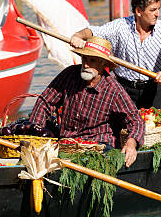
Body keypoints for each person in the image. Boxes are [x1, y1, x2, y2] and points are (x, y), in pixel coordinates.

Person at [29, 36, 145, 167]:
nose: (86, 65)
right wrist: (34, 133)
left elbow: (136, 120)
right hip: (67, 144)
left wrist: (131, 143)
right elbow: (45, 101)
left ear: (103, 64)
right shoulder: (70, 74)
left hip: (99, 147)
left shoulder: (113, 89)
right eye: (84, 58)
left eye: (92, 60)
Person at [70, 0, 161, 109]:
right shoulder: (120, 26)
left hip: (152, 88)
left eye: (158, 9)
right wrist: (78, 36)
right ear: (139, 11)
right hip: (124, 89)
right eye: (153, 10)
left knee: (158, 124)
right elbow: (94, 31)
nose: (157, 14)